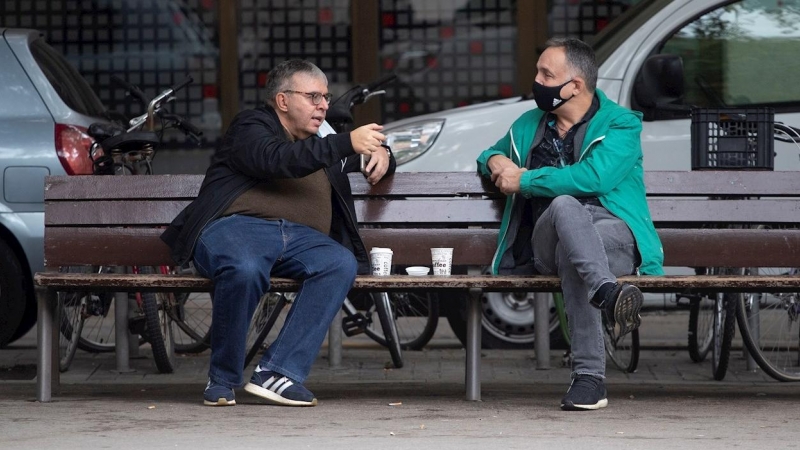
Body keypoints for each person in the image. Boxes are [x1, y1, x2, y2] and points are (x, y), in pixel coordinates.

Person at [161, 59, 395, 407]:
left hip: (300, 239)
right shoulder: (251, 126)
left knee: (339, 263)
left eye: (326, 97)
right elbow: (275, 159)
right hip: (233, 229)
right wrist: (346, 143)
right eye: (314, 96)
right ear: (283, 101)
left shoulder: (323, 137)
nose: (324, 106)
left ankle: (278, 373)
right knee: (244, 269)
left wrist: (385, 154)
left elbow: (355, 154)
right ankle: (222, 378)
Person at [475, 38, 664, 411]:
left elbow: (595, 178)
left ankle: (590, 380)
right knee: (564, 209)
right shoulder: (530, 124)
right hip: (548, 240)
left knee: (573, 249)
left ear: (574, 85)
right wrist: (497, 162)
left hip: (614, 238)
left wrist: (526, 181)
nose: (537, 80)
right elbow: (487, 155)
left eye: (546, 74)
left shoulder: (621, 125)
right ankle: (607, 295)